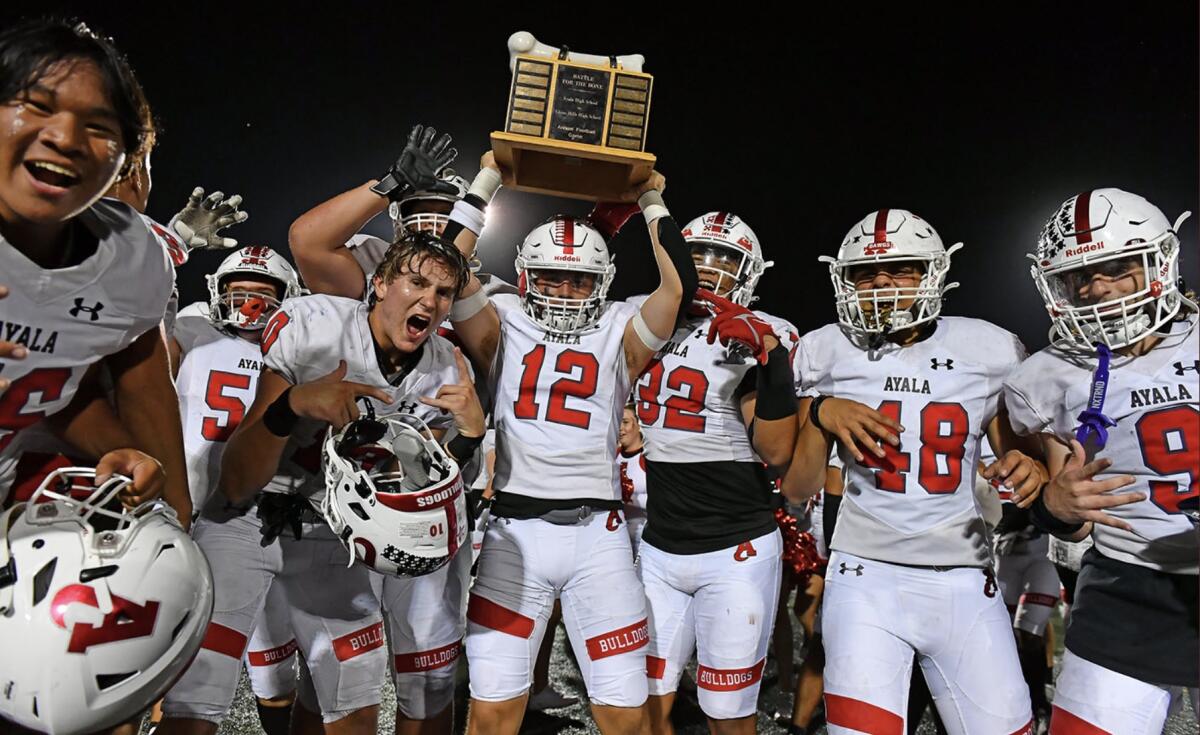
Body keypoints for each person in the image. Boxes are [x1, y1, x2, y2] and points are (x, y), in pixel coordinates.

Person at [440, 151, 693, 733]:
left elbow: (677, 284)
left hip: (598, 541)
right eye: (551, 275)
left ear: (600, 282)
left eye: (578, 277)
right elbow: (446, 264)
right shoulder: (502, 319)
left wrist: (652, 198)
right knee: (492, 715)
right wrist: (488, 180)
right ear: (526, 276)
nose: (564, 288)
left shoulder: (620, 328)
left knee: (625, 715)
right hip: (511, 537)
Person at [783, 208, 1046, 734]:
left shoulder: (989, 348)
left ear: (933, 273)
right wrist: (820, 412)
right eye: (864, 272)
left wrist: (1034, 467)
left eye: (901, 267)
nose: (881, 281)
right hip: (865, 577)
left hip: (965, 576)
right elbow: (798, 487)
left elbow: (1019, 456)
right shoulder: (824, 349)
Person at [1004, 188, 1198, 734]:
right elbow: (1069, 505)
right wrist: (1054, 503)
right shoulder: (1048, 373)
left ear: (1157, 263)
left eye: (1116, 267)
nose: (1096, 287)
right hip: (1125, 588)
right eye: (1080, 277)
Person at [0, 18, 180, 516]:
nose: (66, 137)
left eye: (100, 127)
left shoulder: (131, 257)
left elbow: (53, 389)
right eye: (36, 106)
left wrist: (126, 454)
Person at [629, 211, 801, 734]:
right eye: (698, 254)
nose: (706, 268)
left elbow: (775, 450)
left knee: (726, 714)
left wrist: (768, 358)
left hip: (734, 550)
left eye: (724, 259)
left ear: (749, 272)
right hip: (659, 546)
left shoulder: (763, 330)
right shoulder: (644, 315)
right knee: (644, 703)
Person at [167, 245, 302, 735]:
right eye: (238, 294)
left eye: (264, 297)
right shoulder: (191, 326)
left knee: (271, 660)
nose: (249, 306)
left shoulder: (296, 346)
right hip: (187, 512)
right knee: (177, 652)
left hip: (252, 518)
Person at [617, 402, 647, 555]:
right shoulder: (612, 455)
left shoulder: (648, 458)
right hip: (620, 535)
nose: (620, 428)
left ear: (639, 424)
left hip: (645, 537)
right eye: (618, 422)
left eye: (626, 422)